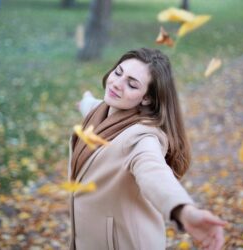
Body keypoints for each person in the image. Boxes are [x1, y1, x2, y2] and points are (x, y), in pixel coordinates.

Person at [69, 48, 227, 250]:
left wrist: (184, 211)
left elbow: (153, 172)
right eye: (118, 72)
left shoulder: (142, 137)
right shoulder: (100, 110)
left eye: (132, 84)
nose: (117, 84)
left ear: (147, 98)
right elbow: (92, 106)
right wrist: (84, 102)